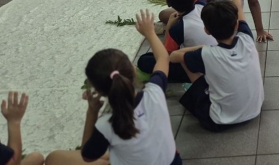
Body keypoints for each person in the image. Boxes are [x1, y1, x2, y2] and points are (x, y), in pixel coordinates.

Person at [45, 11, 182, 165]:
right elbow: (163, 58)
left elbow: (87, 157)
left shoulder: (106, 125)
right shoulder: (155, 93)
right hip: (172, 162)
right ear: (133, 69)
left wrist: (92, 112)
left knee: (54, 158)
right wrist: (150, 33)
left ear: (99, 91)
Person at [171, 0, 265, 132]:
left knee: (185, 59)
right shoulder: (246, 39)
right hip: (255, 110)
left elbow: (173, 56)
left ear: (207, 30)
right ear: (236, 25)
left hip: (219, 121)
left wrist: (199, 48)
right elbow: (239, 8)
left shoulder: (207, 54)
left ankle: (201, 91)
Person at [139, 0, 217, 82]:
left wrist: (169, 26)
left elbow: (164, 57)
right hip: (218, 58)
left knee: (144, 60)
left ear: (168, 3)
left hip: (201, 69)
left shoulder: (178, 29)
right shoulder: (203, 4)